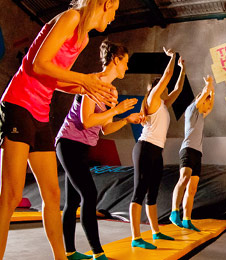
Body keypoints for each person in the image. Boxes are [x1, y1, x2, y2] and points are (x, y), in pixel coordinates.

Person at [0, 0, 119, 258]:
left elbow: (55, 79)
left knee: (53, 196)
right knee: (10, 195)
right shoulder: (71, 18)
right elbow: (37, 64)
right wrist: (83, 79)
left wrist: (89, 88)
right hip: (19, 104)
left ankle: (61, 257)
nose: (113, 17)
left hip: (41, 114)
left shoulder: (84, 39)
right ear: (105, 4)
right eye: (115, 10)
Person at [56, 40, 142, 260]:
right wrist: (119, 109)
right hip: (68, 143)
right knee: (89, 194)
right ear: (116, 59)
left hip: (83, 147)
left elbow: (104, 127)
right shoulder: (92, 82)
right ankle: (97, 253)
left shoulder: (111, 92)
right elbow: (86, 120)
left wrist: (125, 119)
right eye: (126, 62)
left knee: (74, 201)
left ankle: (69, 252)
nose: (127, 67)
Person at [130, 48, 185, 249]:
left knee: (152, 193)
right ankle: (136, 238)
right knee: (139, 192)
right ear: (156, 87)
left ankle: (155, 232)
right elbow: (167, 75)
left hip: (156, 152)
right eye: (162, 85)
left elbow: (177, 89)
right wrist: (172, 58)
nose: (166, 87)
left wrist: (183, 68)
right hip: (144, 149)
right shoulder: (153, 98)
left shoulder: (162, 103)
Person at [169, 75, 215, 232]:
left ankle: (187, 219)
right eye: (206, 102)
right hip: (187, 149)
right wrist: (208, 86)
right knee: (184, 178)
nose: (208, 106)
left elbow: (211, 105)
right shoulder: (192, 109)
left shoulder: (201, 116)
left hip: (197, 153)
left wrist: (212, 91)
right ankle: (174, 212)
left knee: (193, 187)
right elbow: (203, 96)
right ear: (200, 100)